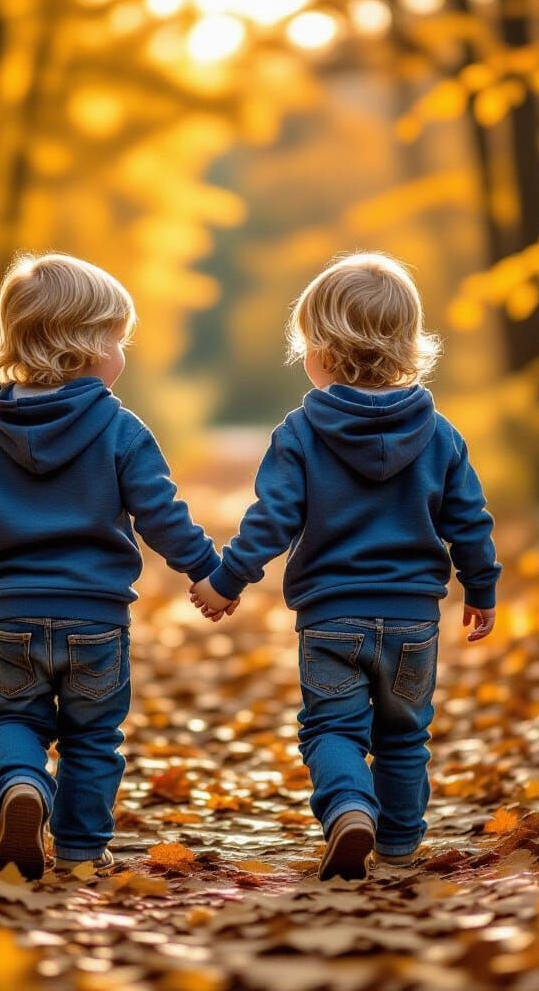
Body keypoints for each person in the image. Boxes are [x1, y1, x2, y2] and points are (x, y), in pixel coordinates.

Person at [191, 252, 500, 880]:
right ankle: (399, 845)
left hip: (331, 618)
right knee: (404, 735)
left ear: (324, 351)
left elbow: (272, 519)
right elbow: (468, 520)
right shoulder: (439, 433)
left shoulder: (301, 432)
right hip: (413, 619)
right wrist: (481, 586)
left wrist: (226, 580)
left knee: (330, 729)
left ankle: (349, 809)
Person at [0, 252, 224, 879]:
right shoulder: (119, 428)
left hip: (13, 616)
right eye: (117, 341)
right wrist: (206, 570)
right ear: (87, 346)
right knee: (92, 737)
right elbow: (160, 512)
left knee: (15, 718)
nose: (122, 355)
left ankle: (21, 785)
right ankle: (80, 850)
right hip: (96, 618)